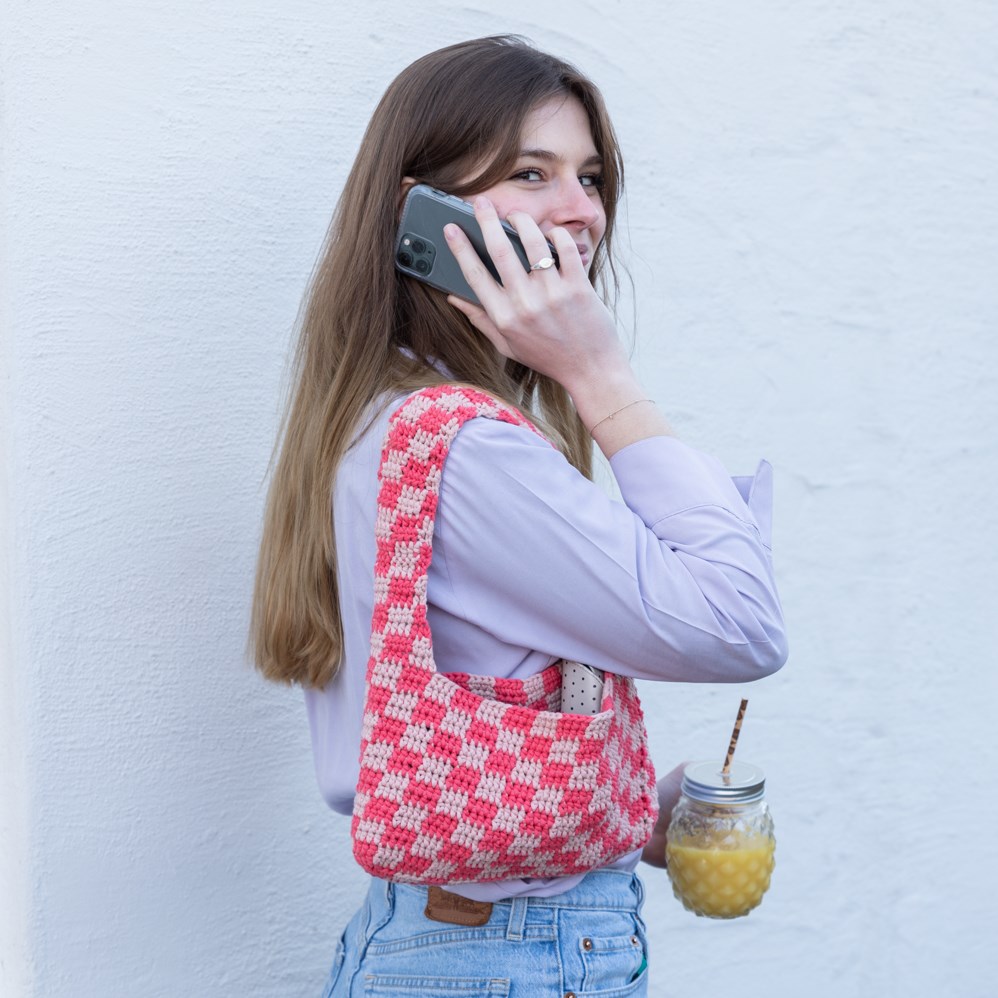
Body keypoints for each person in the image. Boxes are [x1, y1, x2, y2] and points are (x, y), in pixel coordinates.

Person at [251, 35, 787, 997]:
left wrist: (616, 797)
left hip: (467, 941)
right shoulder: (467, 447)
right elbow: (739, 624)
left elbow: (456, 716)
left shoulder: (388, 413)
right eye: (530, 174)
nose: (581, 210)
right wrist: (600, 374)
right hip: (510, 954)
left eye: (589, 176)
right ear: (424, 215)